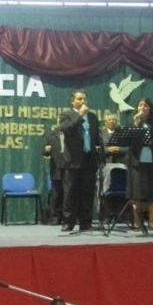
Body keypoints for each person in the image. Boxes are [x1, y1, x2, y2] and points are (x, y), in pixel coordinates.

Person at [58, 89, 103, 232]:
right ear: (72, 101)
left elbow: (97, 137)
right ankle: (68, 222)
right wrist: (80, 116)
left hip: (89, 159)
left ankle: (86, 222)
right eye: (79, 99)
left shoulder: (93, 117)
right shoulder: (66, 115)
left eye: (84, 98)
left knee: (87, 193)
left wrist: (99, 156)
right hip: (73, 160)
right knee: (70, 192)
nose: (82, 101)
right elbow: (67, 130)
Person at [125, 98, 153, 230]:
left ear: (150, 109)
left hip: (152, 162)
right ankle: (137, 221)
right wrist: (136, 123)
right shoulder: (132, 124)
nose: (143, 108)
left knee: (152, 193)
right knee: (137, 193)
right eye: (140, 105)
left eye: (146, 106)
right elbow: (127, 140)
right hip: (137, 163)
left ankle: (151, 220)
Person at [42, 120, 65, 226]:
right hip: (56, 168)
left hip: (70, 168)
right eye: (61, 121)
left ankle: (69, 218)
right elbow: (44, 152)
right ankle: (56, 217)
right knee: (56, 195)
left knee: (70, 195)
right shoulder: (51, 136)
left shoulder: (72, 135)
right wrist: (46, 150)